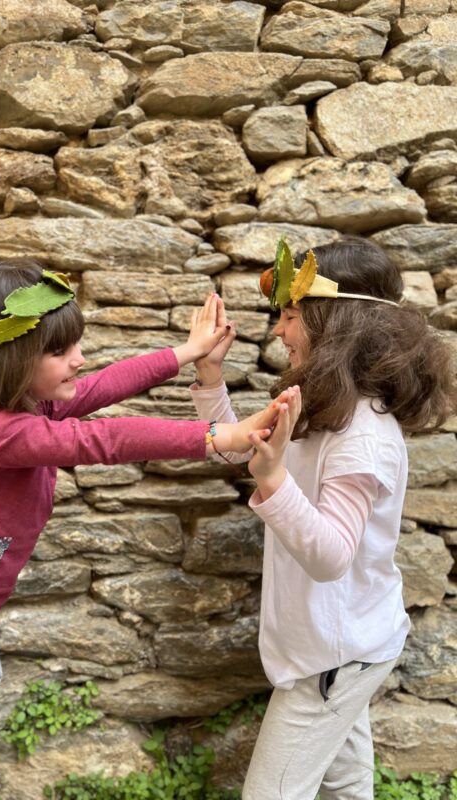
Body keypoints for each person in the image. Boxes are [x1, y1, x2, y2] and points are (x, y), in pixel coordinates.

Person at [0, 259, 282, 800]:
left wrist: (186, 353)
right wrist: (217, 436)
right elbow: (100, 440)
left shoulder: (29, 410)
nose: (79, 360)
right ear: (10, 357)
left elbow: (100, 386)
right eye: (59, 352)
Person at [190, 236, 456, 800]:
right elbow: (245, 447)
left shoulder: (363, 437)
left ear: (338, 324)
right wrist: (212, 380)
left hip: (335, 660)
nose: (278, 331)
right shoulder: (325, 401)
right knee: (345, 787)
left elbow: (332, 556)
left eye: (291, 316)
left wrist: (272, 480)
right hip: (343, 648)